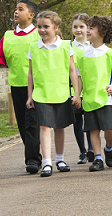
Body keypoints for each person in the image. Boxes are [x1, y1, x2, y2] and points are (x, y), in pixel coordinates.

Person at [0, 0, 42, 174]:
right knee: (24, 125)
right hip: (17, 86)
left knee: (32, 123)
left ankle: (33, 160)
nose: (16, 12)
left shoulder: (39, 34)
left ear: (31, 15)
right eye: (16, 9)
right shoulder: (8, 35)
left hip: (37, 86)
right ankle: (35, 157)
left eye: (21, 9)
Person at [26, 11, 81, 177]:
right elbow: (30, 72)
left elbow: (73, 71)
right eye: (39, 26)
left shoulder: (66, 46)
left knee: (59, 127)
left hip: (61, 92)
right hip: (41, 93)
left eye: (46, 26)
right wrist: (30, 95)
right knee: (44, 127)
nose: (42, 30)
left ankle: (60, 159)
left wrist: (76, 93)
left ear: (56, 28)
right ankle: (47, 163)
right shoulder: (34, 46)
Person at [76, 16, 112, 172]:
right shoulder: (81, 55)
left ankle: (109, 148)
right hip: (88, 98)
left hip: (105, 98)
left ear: (101, 32)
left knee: (109, 128)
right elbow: (79, 77)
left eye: (92, 28)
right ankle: (98, 158)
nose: (88, 30)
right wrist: (77, 95)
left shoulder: (110, 53)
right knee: (93, 130)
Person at [70, 13, 94, 164]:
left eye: (81, 26)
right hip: (74, 90)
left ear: (87, 28)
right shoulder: (68, 46)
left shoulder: (93, 46)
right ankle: (82, 152)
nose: (78, 30)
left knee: (90, 121)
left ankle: (92, 149)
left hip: (90, 89)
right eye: (75, 27)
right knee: (77, 121)